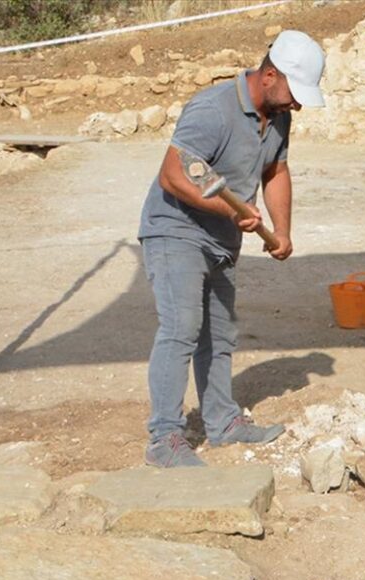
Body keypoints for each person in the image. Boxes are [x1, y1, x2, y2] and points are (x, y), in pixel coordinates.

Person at [138, 30, 326, 467]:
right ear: (269, 75)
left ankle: (222, 422)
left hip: (223, 237)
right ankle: (164, 437)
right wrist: (228, 213)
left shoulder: (278, 116)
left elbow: (275, 170)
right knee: (182, 326)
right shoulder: (212, 109)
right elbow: (173, 175)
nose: (297, 104)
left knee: (219, 333)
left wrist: (283, 229)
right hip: (175, 229)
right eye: (293, 93)